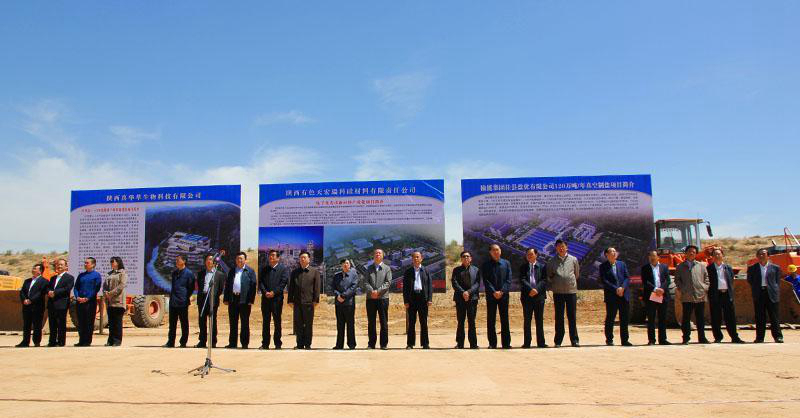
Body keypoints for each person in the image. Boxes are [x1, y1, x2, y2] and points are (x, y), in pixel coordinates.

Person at [547, 240, 580, 347]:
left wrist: (569, 281)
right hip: (558, 292)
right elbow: (549, 276)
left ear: (566, 247)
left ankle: (574, 340)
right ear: (556, 248)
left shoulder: (573, 259)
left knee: (572, 316)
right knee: (559, 317)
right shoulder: (551, 261)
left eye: (563, 246)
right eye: (558, 247)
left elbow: (576, 274)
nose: (561, 248)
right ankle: (558, 341)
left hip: (571, 292)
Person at [707, 249, 745, 344]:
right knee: (716, 317)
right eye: (715, 254)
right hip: (715, 295)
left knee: (730, 317)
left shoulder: (728, 268)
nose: (717, 256)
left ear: (722, 255)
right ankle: (718, 337)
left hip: (727, 295)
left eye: (719, 254)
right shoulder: (709, 269)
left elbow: (731, 280)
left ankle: (734, 337)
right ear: (712, 257)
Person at [674, 245, 710, 344]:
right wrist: (683, 289)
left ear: (696, 254)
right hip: (687, 296)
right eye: (689, 251)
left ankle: (702, 338)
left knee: (700, 318)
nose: (691, 253)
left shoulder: (701, 266)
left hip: (700, 296)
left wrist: (704, 288)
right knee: (686, 318)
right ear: (685, 253)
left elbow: (706, 278)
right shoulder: (680, 267)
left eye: (693, 252)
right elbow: (677, 280)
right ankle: (686, 338)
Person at [747, 249, 784, 343]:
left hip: (771, 294)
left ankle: (778, 336)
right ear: (757, 256)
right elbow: (750, 280)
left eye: (763, 254)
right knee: (760, 316)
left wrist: (774, 290)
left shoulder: (775, 268)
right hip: (759, 293)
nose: (761, 256)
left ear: (768, 256)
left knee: (774, 316)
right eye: (759, 254)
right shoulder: (752, 268)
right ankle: (760, 337)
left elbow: (777, 281)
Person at [288, 251, 321, 350]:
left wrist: (316, 300)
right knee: (298, 324)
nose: (302, 259)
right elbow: (291, 287)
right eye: (301, 257)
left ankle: (307, 344)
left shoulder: (314, 272)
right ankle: (299, 344)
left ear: (309, 259)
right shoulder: (295, 272)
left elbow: (317, 287)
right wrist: (290, 300)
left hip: (309, 302)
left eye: (304, 257)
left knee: (308, 324)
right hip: (297, 302)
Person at [481, 244, 512, 349]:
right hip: (491, 296)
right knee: (491, 319)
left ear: (500, 251)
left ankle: (506, 343)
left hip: (504, 296)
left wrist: (502, 291)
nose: (496, 252)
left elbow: (508, 279)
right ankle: (492, 343)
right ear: (490, 252)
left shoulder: (506, 263)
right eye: (493, 250)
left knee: (505, 319)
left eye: (497, 250)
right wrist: (494, 292)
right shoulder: (486, 265)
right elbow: (486, 280)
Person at [223, 252, 257, 349]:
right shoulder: (232, 271)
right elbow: (228, 285)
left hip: (245, 300)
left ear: (245, 260)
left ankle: (244, 343)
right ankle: (232, 343)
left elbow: (253, 286)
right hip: (233, 299)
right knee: (233, 322)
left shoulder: (250, 271)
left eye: (241, 258)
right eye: (238, 258)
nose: (239, 260)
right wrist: (226, 298)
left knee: (244, 322)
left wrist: (251, 300)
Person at [599, 247, 631, 346]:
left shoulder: (622, 264)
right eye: (611, 251)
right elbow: (604, 281)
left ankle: (625, 340)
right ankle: (609, 339)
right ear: (606, 254)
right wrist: (616, 289)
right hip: (611, 296)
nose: (614, 253)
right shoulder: (603, 266)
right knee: (610, 318)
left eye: (614, 251)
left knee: (624, 318)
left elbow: (627, 277)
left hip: (623, 295)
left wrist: (623, 288)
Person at [258, 249, 289, 350]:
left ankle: (277, 343)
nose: (271, 257)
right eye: (270, 255)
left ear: (278, 258)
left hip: (277, 300)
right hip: (265, 299)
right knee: (265, 321)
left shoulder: (283, 269)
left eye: (273, 255)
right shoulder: (264, 269)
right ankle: (265, 343)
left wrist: (273, 293)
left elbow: (283, 283)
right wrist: (265, 292)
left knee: (277, 321)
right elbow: (261, 282)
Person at [403, 251, 433, 349]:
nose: (416, 259)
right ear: (412, 259)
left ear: (421, 258)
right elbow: (405, 288)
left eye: (417, 257)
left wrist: (429, 299)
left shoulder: (426, 270)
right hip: (412, 299)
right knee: (411, 322)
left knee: (423, 322)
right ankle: (410, 344)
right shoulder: (408, 272)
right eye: (414, 257)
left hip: (423, 299)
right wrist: (406, 301)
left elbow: (430, 286)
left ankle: (425, 343)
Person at [641, 250, 671, 345]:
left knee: (662, 318)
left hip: (662, 295)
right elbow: (645, 281)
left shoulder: (664, 267)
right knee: (651, 318)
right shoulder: (645, 268)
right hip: (651, 295)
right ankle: (651, 340)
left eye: (654, 256)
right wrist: (655, 289)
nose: (652, 258)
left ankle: (663, 339)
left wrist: (662, 289)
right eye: (650, 256)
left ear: (658, 257)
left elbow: (667, 280)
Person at [451, 251, 480, 349]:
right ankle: (460, 344)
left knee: (472, 321)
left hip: (472, 299)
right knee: (461, 321)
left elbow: (477, 283)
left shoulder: (476, 269)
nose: (466, 258)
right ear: (461, 259)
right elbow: (454, 282)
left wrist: (469, 292)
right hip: (460, 299)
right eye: (464, 256)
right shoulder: (456, 270)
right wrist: (463, 292)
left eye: (467, 256)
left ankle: (473, 344)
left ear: (471, 258)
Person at [519, 248, 547, 348]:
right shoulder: (523, 267)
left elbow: (544, 280)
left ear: (536, 255)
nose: (529, 256)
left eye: (531, 254)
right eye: (528, 254)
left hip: (539, 297)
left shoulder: (542, 266)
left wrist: (536, 289)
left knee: (539, 320)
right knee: (527, 320)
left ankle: (541, 342)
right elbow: (522, 280)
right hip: (527, 297)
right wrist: (530, 289)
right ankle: (527, 342)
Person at [195, 254, 226, 348]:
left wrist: (214, 296)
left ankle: (213, 341)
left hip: (213, 300)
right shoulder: (200, 273)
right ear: (205, 262)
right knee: (202, 321)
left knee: (212, 321)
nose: (209, 262)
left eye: (211, 260)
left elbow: (220, 289)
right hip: (202, 299)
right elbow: (200, 286)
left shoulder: (219, 274)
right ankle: (202, 341)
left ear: (214, 262)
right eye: (208, 260)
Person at [364, 249, 392, 349]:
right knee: (371, 322)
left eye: (379, 253)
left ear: (383, 256)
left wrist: (378, 291)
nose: (377, 255)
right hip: (370, 298)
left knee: (383, 322)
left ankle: (383, 344)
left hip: (383, 298)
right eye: (376, 253)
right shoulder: (369, 268)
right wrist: (372, 291)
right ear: (373, 256)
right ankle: (371, 344)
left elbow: (388, 282)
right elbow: (366, 282)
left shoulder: (387, 268)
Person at [164, 254, 194, 348]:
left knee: (184, 323)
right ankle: (171, 342)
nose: (176, 261)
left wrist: (185, 297)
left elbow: (191, 288)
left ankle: (183, 342)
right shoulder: (174, 273)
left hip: (183, 302)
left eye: (178, 260)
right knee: (172, 324)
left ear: (184, 261)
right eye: (176, 260)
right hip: (173, 301)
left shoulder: (189, 273)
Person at [17, 263, 47, 347]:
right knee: (26, 325)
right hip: (26, 306)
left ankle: (36, 341)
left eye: (35, 268)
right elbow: (22, 291)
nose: (32, 270)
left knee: (37, 325)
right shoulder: (27, 281)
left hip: (37, 306)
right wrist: (24, 299)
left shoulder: (44, 281)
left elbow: (40, 293)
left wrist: (31, 300)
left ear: (40, 271)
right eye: (33, 268)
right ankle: (25, 342)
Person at [73, 257, 102, 346]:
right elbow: (76, 287)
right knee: (81, 322)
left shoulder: (96, 275)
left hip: (90, 302)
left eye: (87, 263)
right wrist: (77, 297)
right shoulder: (81, 275)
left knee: (89, 322)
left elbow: (96, 289)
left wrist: (87, 298)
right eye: (85, 263)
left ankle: (87, 341)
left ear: (93, 264)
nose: (85, 264)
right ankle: (81, 341)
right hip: (80, 302)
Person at [332, 259, 359, 350]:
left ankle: (351, 344)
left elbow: (353, 288)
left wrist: (343, 296)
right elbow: (333, 288)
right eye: (343, 263)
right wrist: (338, 295)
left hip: (349, 303)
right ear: (341, 265)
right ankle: (339, 345)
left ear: (350, 265)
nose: (345, 265)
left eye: (347, 263)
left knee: (350, 324)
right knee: (340, 325)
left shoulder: (354, 275)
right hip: (339, 303)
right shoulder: (336, 276)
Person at [47, 258, 74, 347]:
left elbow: (67, 289)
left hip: (62, 304)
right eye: (58, 265)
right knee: (52, 323)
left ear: (66, 267)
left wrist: (55, 292)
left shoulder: (69, 277)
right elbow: (48, 287)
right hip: (52, 303)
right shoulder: (53, 278)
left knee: (61, 323)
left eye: (61, 265)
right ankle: (52, 341)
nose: (59, 266)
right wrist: (49, 292)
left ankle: (61, 342)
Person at [103, 257, 127, 346]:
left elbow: (122, 285)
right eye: (111, 261)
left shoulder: (123, 273)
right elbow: (105, 285)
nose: (111, 263)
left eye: (113, 261)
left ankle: (117, 340)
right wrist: (105, 292)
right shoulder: (109, 273)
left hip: (118, 301)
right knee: (111, 322)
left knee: (117, 322)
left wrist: (111, 293)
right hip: (109, 302)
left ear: (118, 263)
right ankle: (110, 341)